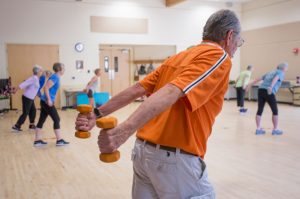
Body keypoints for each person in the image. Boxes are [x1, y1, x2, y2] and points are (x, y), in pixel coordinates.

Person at [76, 9, 242, 198]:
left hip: (142, 154)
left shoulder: (177, 57)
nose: (237, 47)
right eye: (239, 42)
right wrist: (123, 131)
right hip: (175, 162)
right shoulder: (219, 57)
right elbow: (173, 91)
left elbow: (137, 89)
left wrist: (96, 113)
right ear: (229, 36)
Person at [246, 62, 288, 135]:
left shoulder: (270, 72)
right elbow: (276, 78)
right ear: (284, 68)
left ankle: (258, 129)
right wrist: (271, 86)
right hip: (269, 91)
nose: (287, 69)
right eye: (286, 67)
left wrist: (250, 84)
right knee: (275, 110)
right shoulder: (281, 72)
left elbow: (258, 79)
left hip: (261, 90)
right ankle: (275, 129)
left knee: (260, 109)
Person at [34, 63, 69, 147]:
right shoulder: (55, 77)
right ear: (60, 69)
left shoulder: (55, 77)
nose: (64, 70)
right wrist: (49, 99)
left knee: (41, 120)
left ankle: (37, 141)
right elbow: (46, 87)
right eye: (63, 68)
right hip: (46, 102)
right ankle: (59, 140)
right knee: (57, 119)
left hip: (44, 101)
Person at [11, 65, 43, 132]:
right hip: (27, 98)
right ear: (37, 71)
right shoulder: (34, 78)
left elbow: (35, 89)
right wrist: (16, 90)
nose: (41, 72)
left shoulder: (36, 79)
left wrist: (41, 96)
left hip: (30, 98)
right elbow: (24, 84)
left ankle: (31, 125)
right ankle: (17, 126)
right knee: (26, 112)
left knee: (33, 111)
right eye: (41, 71)